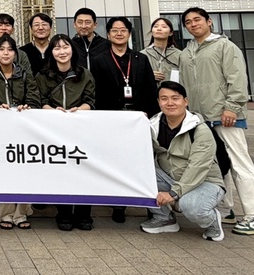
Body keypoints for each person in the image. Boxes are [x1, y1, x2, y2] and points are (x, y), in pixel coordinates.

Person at [179, 7, 254, 235]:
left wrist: (232, 107)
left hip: (225, 116)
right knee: (219, 166)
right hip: (201, 119)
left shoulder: (224, 46)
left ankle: (251, 215)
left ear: (209, 21)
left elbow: (237, 79)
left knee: (240, 164)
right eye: (188, 22)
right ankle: (225, 208)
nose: (193, 24)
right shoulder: (186, 52)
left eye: (197, 19)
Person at [91, 17, 159, 224]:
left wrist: (150, 114)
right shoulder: (99, 59)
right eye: (114, 30)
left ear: (129, 34)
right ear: (108, 34)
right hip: (113, 119)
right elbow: (97, 92)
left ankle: (149, 205)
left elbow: (150, 89)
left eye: (123, 30)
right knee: (117, 162)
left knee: (142, 162)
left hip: (139, 117)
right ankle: (119, 205)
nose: (119, 34)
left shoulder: (141, 59)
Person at [140, 81, 225, 241]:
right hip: (172, 178)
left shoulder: (200, 130)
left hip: (205, 181)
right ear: (158, 102)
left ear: (185, 101)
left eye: (175, 98)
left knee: (190, 206)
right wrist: (137, 122)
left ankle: (212, 222)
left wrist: (174, 194)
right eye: (164, 98)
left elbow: (197, 168)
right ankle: (164, 218)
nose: (170, 103)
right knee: (140, 175)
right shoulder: (152, 125)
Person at [0, 34, 40, 230]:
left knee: (23, 170)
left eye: (10, 49)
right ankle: (4, 214)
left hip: (22, 129)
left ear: (15, 53)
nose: (6, 53)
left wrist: (26, 107)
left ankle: (21, 213)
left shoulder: (24, 74)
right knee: (1, 171)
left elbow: (34, 99)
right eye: (1, 49)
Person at [35, 34, 95, 230]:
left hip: (80, 128)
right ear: (51, 52)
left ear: (72, 50)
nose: (62, 51)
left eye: (65, 47)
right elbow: (40, 101)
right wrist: (53, 111)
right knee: (60, 170)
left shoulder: (84, 74)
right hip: (54, 130)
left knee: (83, 169)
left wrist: (79, 110)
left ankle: (84, 214)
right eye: (57, 48)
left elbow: (90, 101)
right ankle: (64, 213)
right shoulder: (42, 76)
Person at [141, 18, 180, 85]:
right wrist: (149, 76)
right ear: (152, 31)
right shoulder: (142, 55)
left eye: (164, 27)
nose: (159, 29)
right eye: (156, 26)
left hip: (173, 91)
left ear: (171, 33)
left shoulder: (179, 55)